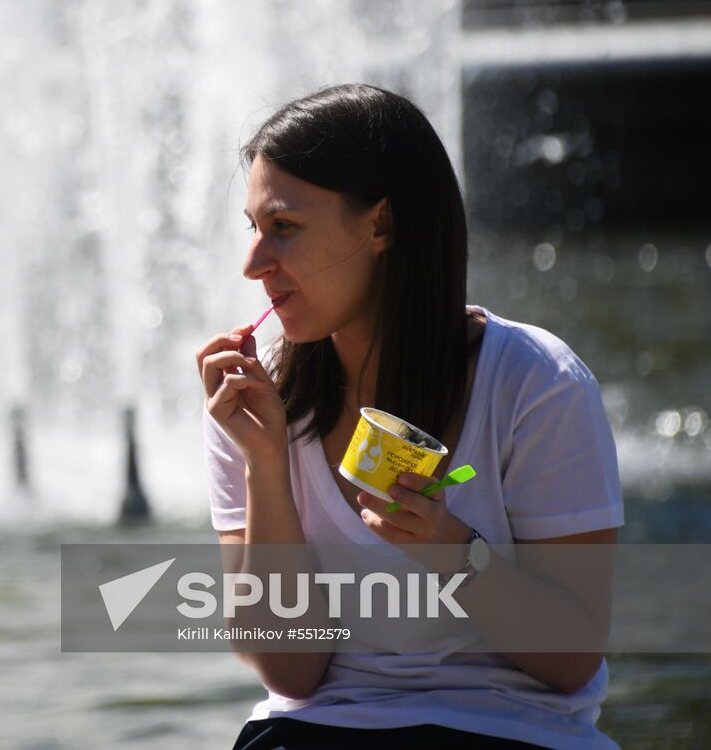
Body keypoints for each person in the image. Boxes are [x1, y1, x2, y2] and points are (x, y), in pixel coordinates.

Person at [196, 85, 623, 749]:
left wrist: (451, 548)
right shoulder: (255, 403)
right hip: (317, 728)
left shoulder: (537, 383)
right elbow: (293, 671)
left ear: (381, 226)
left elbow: (571, 662)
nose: (253, 264)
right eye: (253, 227)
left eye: (284, 227)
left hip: (513, 730)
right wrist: (266, 467)